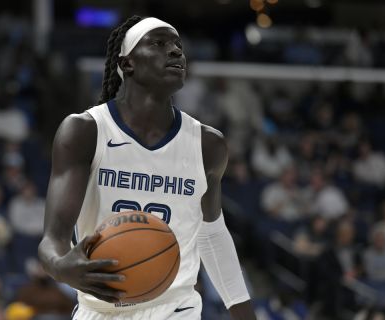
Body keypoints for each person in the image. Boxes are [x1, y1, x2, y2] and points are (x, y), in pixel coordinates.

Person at [38, 16, 256, 320]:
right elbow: (54, 236)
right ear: (127, 64)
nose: (176, 51)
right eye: (159, 43)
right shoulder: (85, 131)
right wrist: (59, 266)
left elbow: (211, 234)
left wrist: (243, 312)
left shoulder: (207, 144)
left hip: (176, 307)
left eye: (179, 45)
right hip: (101, 309)